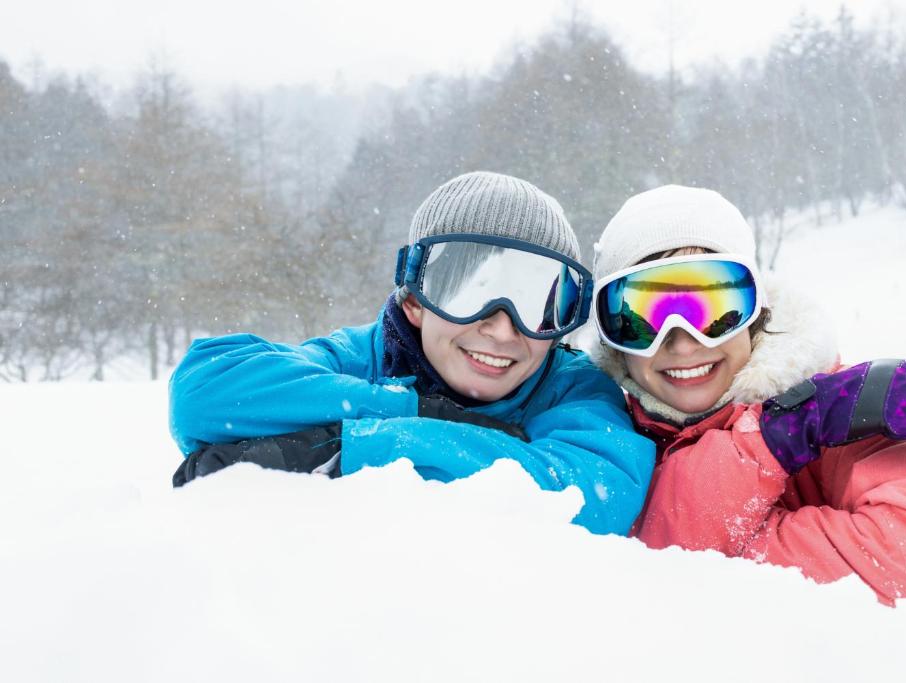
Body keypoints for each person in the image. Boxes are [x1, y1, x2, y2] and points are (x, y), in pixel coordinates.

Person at [168, 171, 655, 536]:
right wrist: (416, 411)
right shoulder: (364, 358)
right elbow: (204, 390)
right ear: (415, 301)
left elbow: (594, 494)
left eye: (538, 304)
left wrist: (349, 450)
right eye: (470, 291)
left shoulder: (571, 388)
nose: (503, 328)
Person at [587, 185, 906, 606]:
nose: (683, 343)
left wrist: (688, 551)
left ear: (755, 311)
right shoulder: (605, 441)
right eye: (639, 318)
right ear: (614, 343)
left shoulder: (853, 410)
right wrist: (768, 441)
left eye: (714, 307)